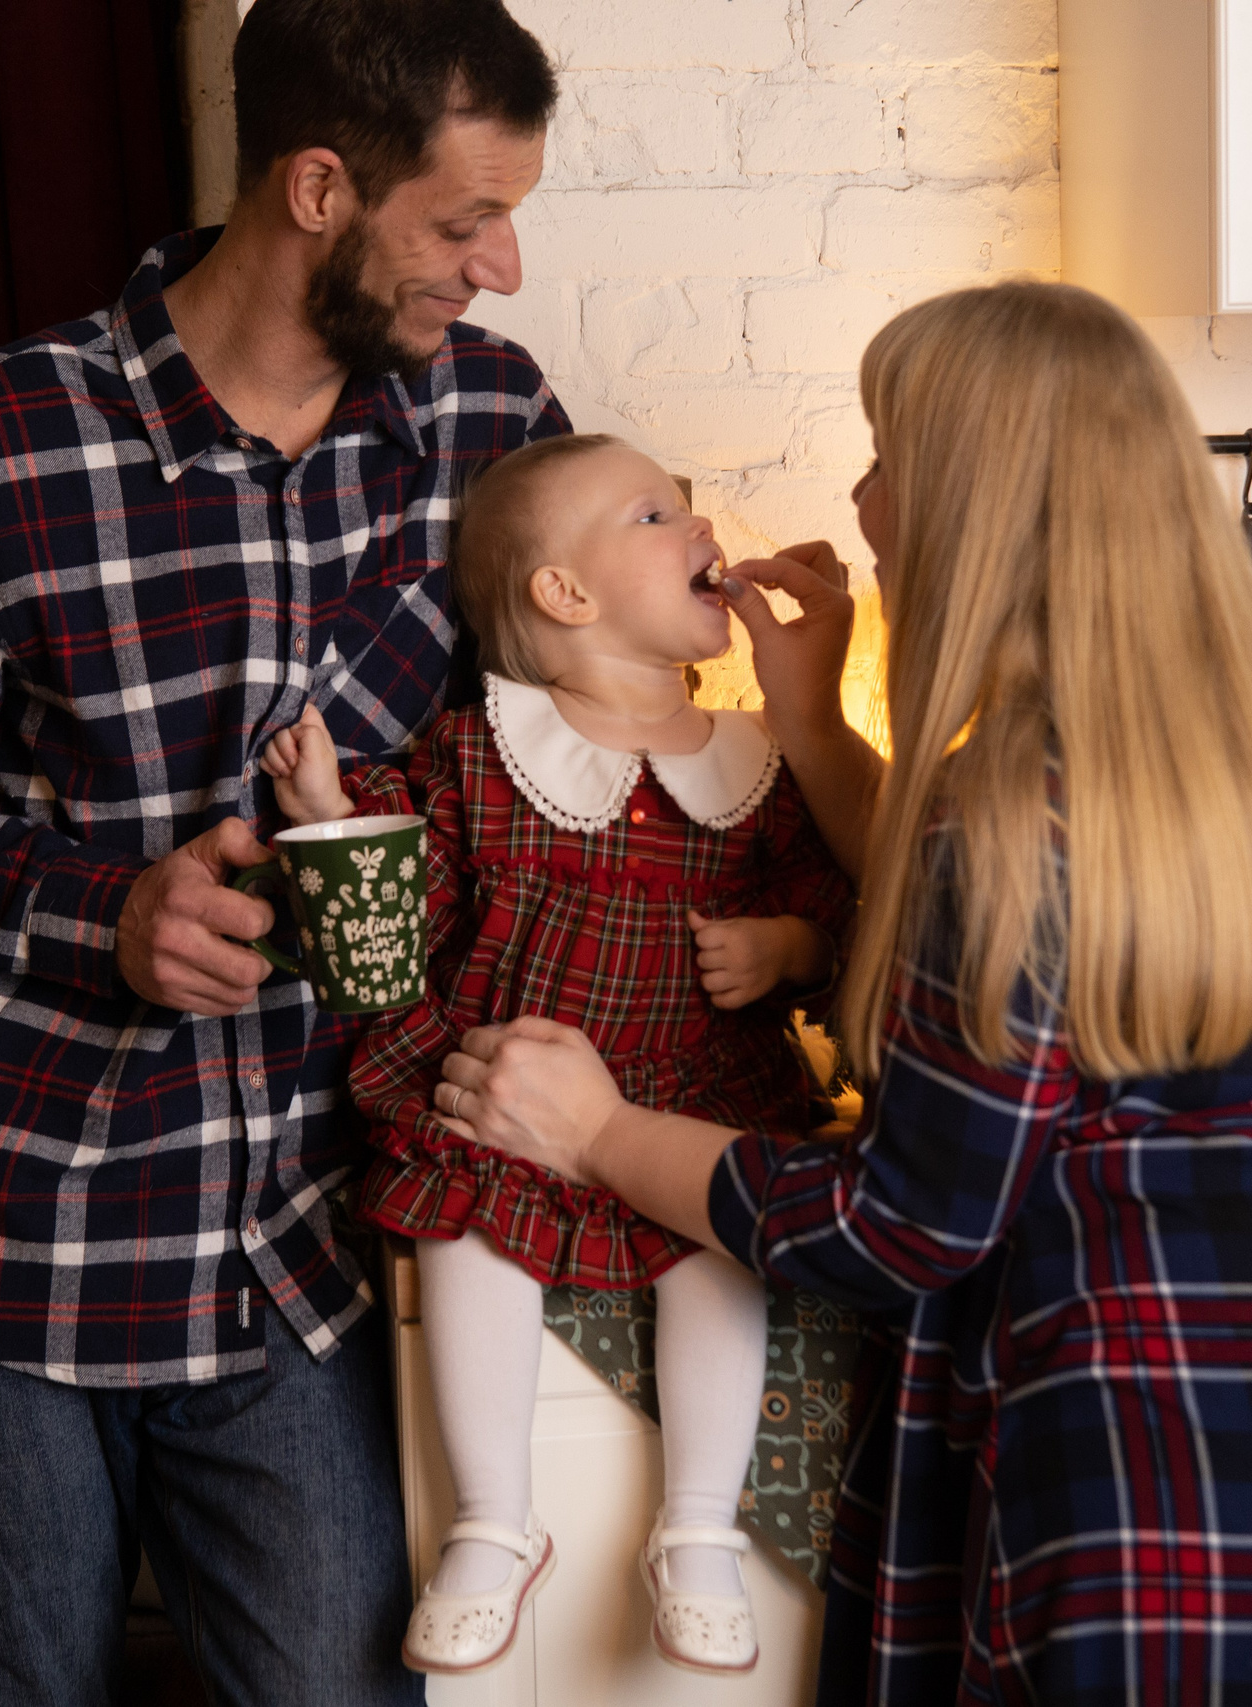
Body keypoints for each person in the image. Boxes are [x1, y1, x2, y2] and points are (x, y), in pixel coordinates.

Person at [431, 282, 1252, 1705]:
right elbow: (1037, 939)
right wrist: (809, 719)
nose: (861, 497)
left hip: (1155, 1483)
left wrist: (600, 1130)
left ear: (971, 501)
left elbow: (898, 1226)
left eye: (884, 456)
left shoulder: (1005, 813)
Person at [0, 2, 566, 1699]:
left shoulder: (492, 420)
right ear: (319, 188)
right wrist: (96, 912)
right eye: (465, 221)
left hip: (308, 1248)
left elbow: (577, 723)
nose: (503, 268)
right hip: (12, 1234)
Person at [260, 433, 856, 1677]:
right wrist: (329, 818)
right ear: (565, 594)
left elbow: (830, 905)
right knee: (464, 1236)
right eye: (654, 516)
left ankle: (699, 1527)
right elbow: (405, 909)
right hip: (513, 1089)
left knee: (721, 1250)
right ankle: (493, 1520)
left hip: (697, 1096)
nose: (699, 527)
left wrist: (786, 944)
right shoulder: (484, 751)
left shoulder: (754, 758)